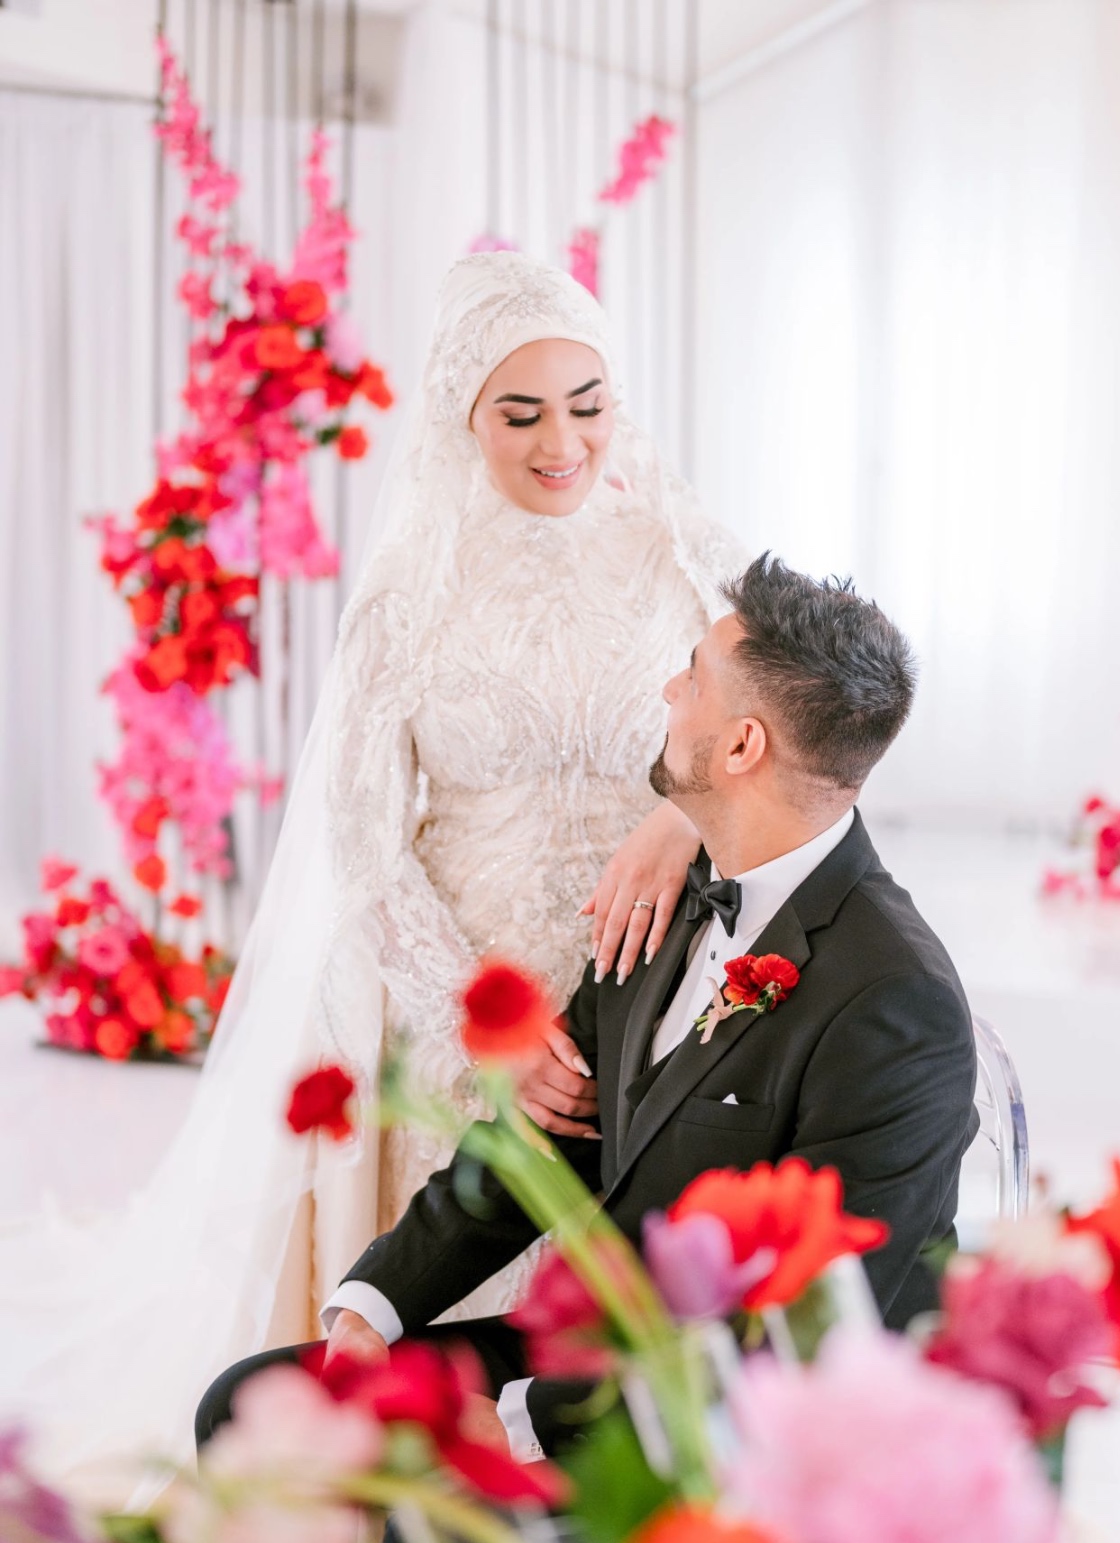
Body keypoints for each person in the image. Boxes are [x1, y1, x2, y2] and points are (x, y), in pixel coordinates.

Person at [0, 253, 743, 1502]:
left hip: (648, 964)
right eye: (522, 414)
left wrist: (684, 820)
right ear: (463, 418)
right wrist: (475, 1015)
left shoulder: (679, 545)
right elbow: (361, 837)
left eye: (589, 402)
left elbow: (792, 707)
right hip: (471, 971)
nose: (564, 442)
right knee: (468, 1246)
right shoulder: (410, 591)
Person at [198, 555, 979, 1463]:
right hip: (585, 1353)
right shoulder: (666, 894)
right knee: (252, 1410)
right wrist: (376, 1305)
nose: (666, 689)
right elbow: (550, 1133)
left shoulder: (897, 1005)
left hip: (726, 1430)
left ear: (741, 748)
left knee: (427, 1503)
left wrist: (524, 1422)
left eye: (691, 678)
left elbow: (802, 1332)